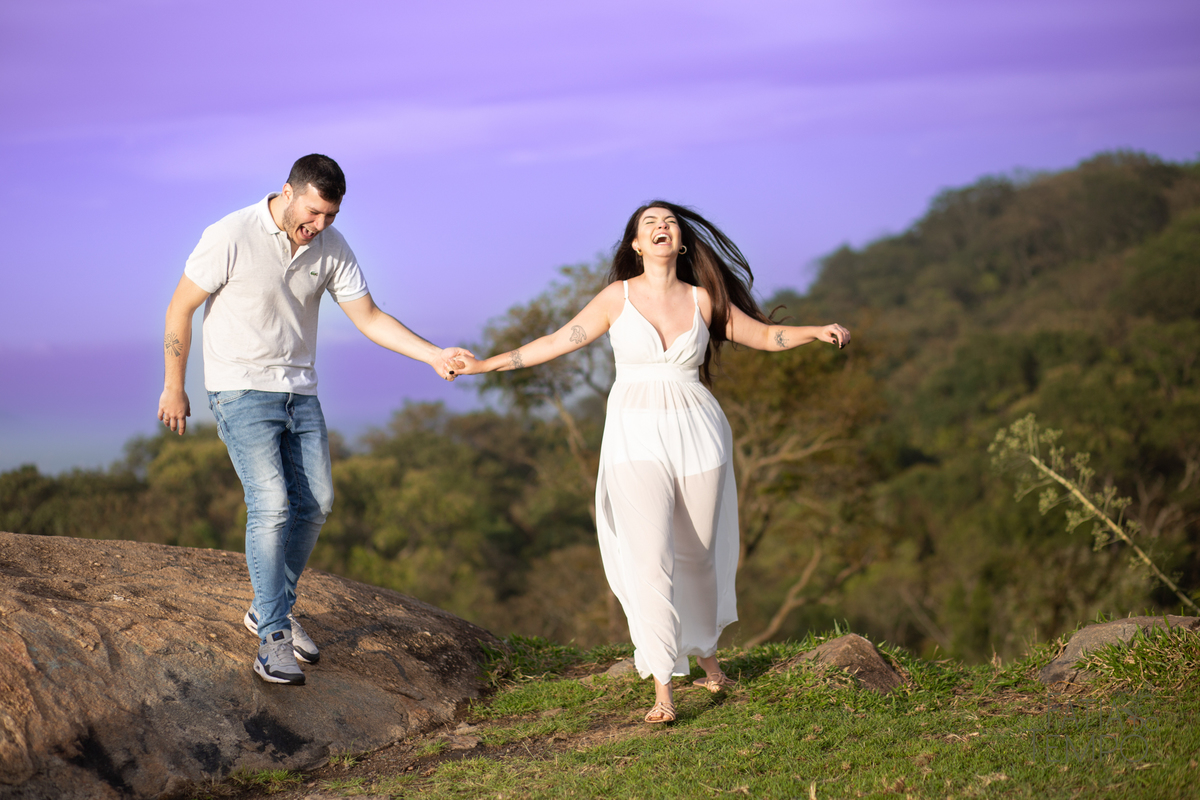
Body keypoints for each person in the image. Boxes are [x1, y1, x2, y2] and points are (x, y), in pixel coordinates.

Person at [453, 201, 850, 722]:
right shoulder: (616, 298)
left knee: (698, 555)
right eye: (649, 225)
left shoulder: (703, 299)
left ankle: (705, 650)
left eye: (669, 223)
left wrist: (813, 332)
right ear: (635, 245)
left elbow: (760, 334)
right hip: (633, 436)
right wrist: (485, 365)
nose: (662, 228)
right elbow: (557, 341)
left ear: (680, 242)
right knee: (649, 557)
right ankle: (663, 686)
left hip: (699, 432)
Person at [157, 154, 470, 686]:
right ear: (287, 191)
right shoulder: (230, 233)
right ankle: (272, 637)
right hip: (239, 391)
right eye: (313, 212)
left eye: (330, 216)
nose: (318, 226)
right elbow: (180, 308)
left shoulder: (331, 246)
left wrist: (433, 354)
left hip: (299, 393)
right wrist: (173, 384)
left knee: (317, 502)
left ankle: (267, 604)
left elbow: (369, 316)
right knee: (273, 504)